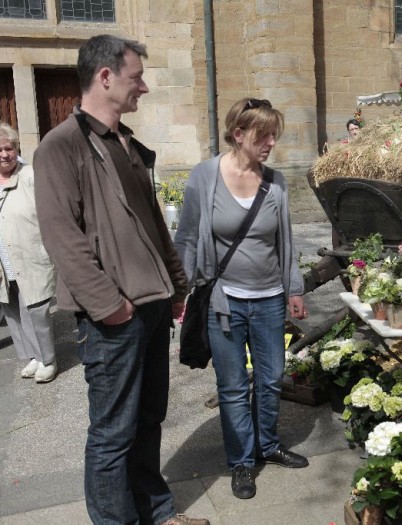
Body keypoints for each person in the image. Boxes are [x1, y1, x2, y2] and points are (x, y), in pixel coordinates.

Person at [33, 35, 208, 525]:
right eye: (137, 78)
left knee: (148, 421)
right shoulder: (60, 146)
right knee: (112, 434)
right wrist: (110, 306)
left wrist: (177, 287)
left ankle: (157, 512)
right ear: (105, 76)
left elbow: (153, 226)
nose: (144, 88)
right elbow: (62, 238)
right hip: (113, 318)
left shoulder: (126, 143)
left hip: (152, 307)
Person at [175, 98, 309, 500]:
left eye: (273, 135)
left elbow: (285, 240)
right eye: (262, 135)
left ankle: (267, 444)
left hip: (269, 300)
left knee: (271, 378)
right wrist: (178, 292)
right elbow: (186, 237)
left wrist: (294, 289)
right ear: (238, 134)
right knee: (233, 386)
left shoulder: (276, 182)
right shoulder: (205, 176)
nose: (271, 143)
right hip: (224, 302)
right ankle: (242, 462)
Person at [0, 123, 58, 383]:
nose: (4, 154)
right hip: (4, 261)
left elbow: (52, 211)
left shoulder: (31, 176)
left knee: (35, 309)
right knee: (12, 309)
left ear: (16, 149)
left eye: (9, 148)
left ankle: (48, 359)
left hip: (29, 255)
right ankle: (33, 356)